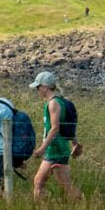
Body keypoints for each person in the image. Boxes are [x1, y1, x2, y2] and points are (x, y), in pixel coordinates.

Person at [31, 71, 82, 199]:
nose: (37, 90)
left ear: (45, 87)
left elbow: (55, 128)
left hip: (56, 149)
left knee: (44, 183)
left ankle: (85, 206)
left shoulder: (53, 103)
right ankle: (47, 208)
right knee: (40, 182)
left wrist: (41, 148)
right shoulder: (62, 101)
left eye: (38, 87)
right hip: (57, 149)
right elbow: (69, 124)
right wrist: (74, 143)